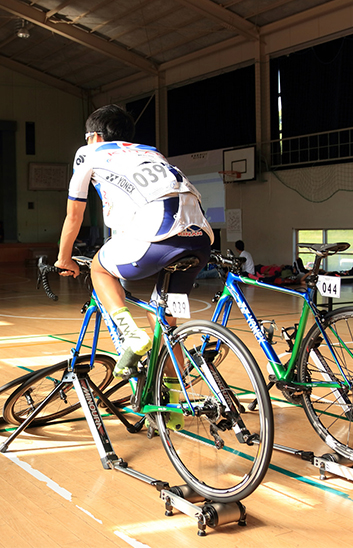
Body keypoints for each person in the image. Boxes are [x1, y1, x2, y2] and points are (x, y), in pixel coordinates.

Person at [55, 104, 214, 422]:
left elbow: (75, 214)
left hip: (157, 233)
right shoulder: (151, 152)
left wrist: (63, 258)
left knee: (99, 267)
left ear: (94, 136)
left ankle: (130, 334)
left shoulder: (89, 152)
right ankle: (172, 413)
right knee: (166, 326)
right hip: (200, 239)